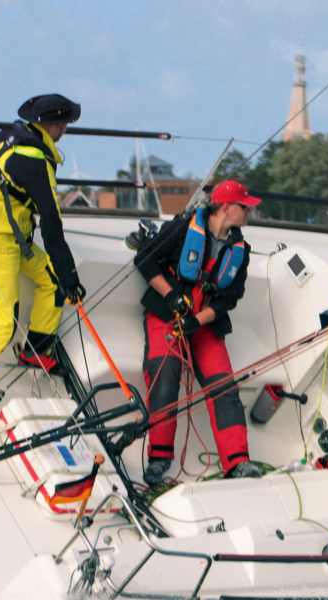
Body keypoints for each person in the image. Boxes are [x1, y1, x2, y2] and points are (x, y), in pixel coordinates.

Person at [0, 94, 85, 423]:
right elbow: (52, 227)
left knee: (52, 282)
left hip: (7, 233)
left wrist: (63, 278)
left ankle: (35, 351)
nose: (65, 130)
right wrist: (72, 279)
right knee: (6, 314)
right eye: (63, 124)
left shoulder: (13, 134)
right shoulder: (35, 162)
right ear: (51, 125)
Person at [134, 180, 261, 484]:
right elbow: (145, 260)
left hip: (203, 324)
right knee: (165, 375)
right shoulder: (181, 229)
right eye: (244, 207)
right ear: (226, 207)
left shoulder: (241, 250)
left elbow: (229, 299)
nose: (249, 212)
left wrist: (198, 320)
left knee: (224, 386)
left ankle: (238, 462)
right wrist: (171, 296)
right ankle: (159, 458)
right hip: (167, 315)